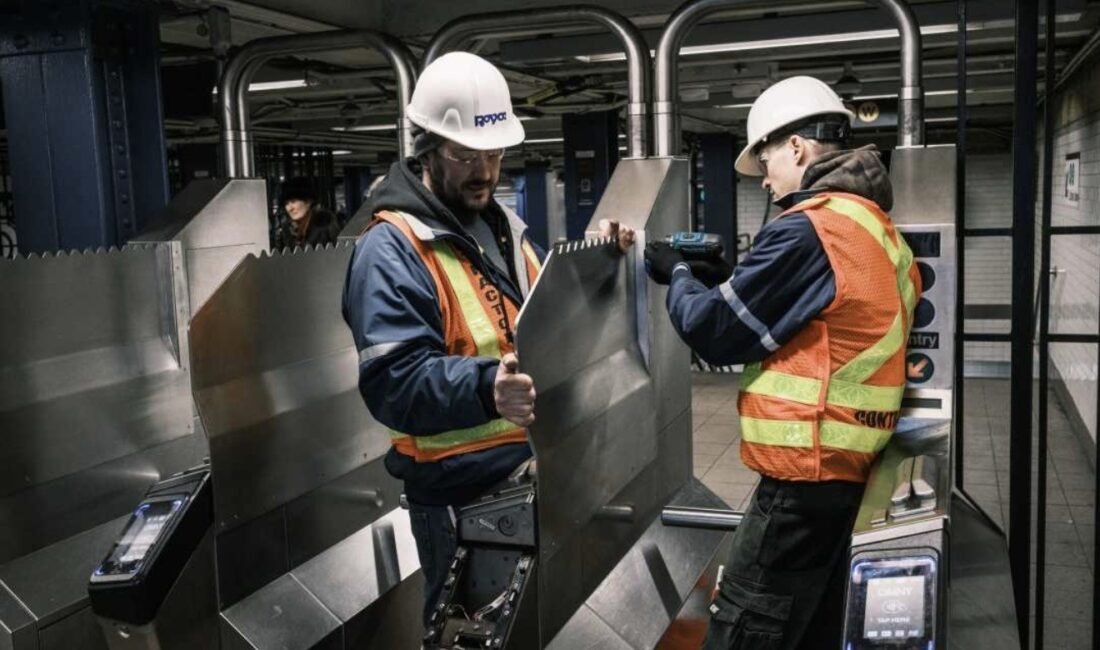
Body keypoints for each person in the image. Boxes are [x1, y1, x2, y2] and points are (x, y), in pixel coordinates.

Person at [341, 51, 632, 627]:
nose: (485, 171)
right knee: (464, 632)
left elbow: (548, 317)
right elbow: (391, 383)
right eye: (465, 155)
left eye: (495, 154)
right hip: (455, 496)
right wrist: (485, 388)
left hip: (524, 473)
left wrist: (600, 260)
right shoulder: (391, 249)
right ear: (427, 149)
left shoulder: (501, 226)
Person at [644, 76, 922, 650]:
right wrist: (727, 280)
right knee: (810, 625)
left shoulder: (809, 229)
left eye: (766, 159)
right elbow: (815, 317)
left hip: (802, 483)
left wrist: (677, 272)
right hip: (851, 472)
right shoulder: (873, 226)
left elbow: (716, 332)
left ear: (796, 148)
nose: (766, 180)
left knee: (747, 626)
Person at [272, 177, 341, 248]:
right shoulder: (286, 228)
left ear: (308, 202)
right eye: (286, 204)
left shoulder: (325, 221)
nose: (290, 208)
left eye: (293, 201)